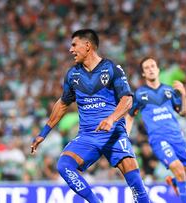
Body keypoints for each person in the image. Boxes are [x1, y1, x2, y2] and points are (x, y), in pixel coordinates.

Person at [31, 29, 150, 203]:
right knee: (64, 166)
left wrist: (111, 119)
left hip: (113, 134)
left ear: (87, 45)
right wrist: (43, 133)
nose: (70, 50)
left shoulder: (112, 69)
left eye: (74, 45)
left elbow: (127, 99)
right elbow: (63, 103)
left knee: (136, 186)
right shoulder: (73, 75)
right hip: (87, 136)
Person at [125, 57, 186, 203]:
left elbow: (183, 113)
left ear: (158, 69)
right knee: (179, 169)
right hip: (159, 139)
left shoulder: (169, 90)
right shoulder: (139, 94)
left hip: (178, 138)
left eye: (153, 66)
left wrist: (183, 95)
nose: (151, 69)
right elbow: (130, 116)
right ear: (143, 74)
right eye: (147, 68)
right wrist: (125, 137)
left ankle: (173, 181)